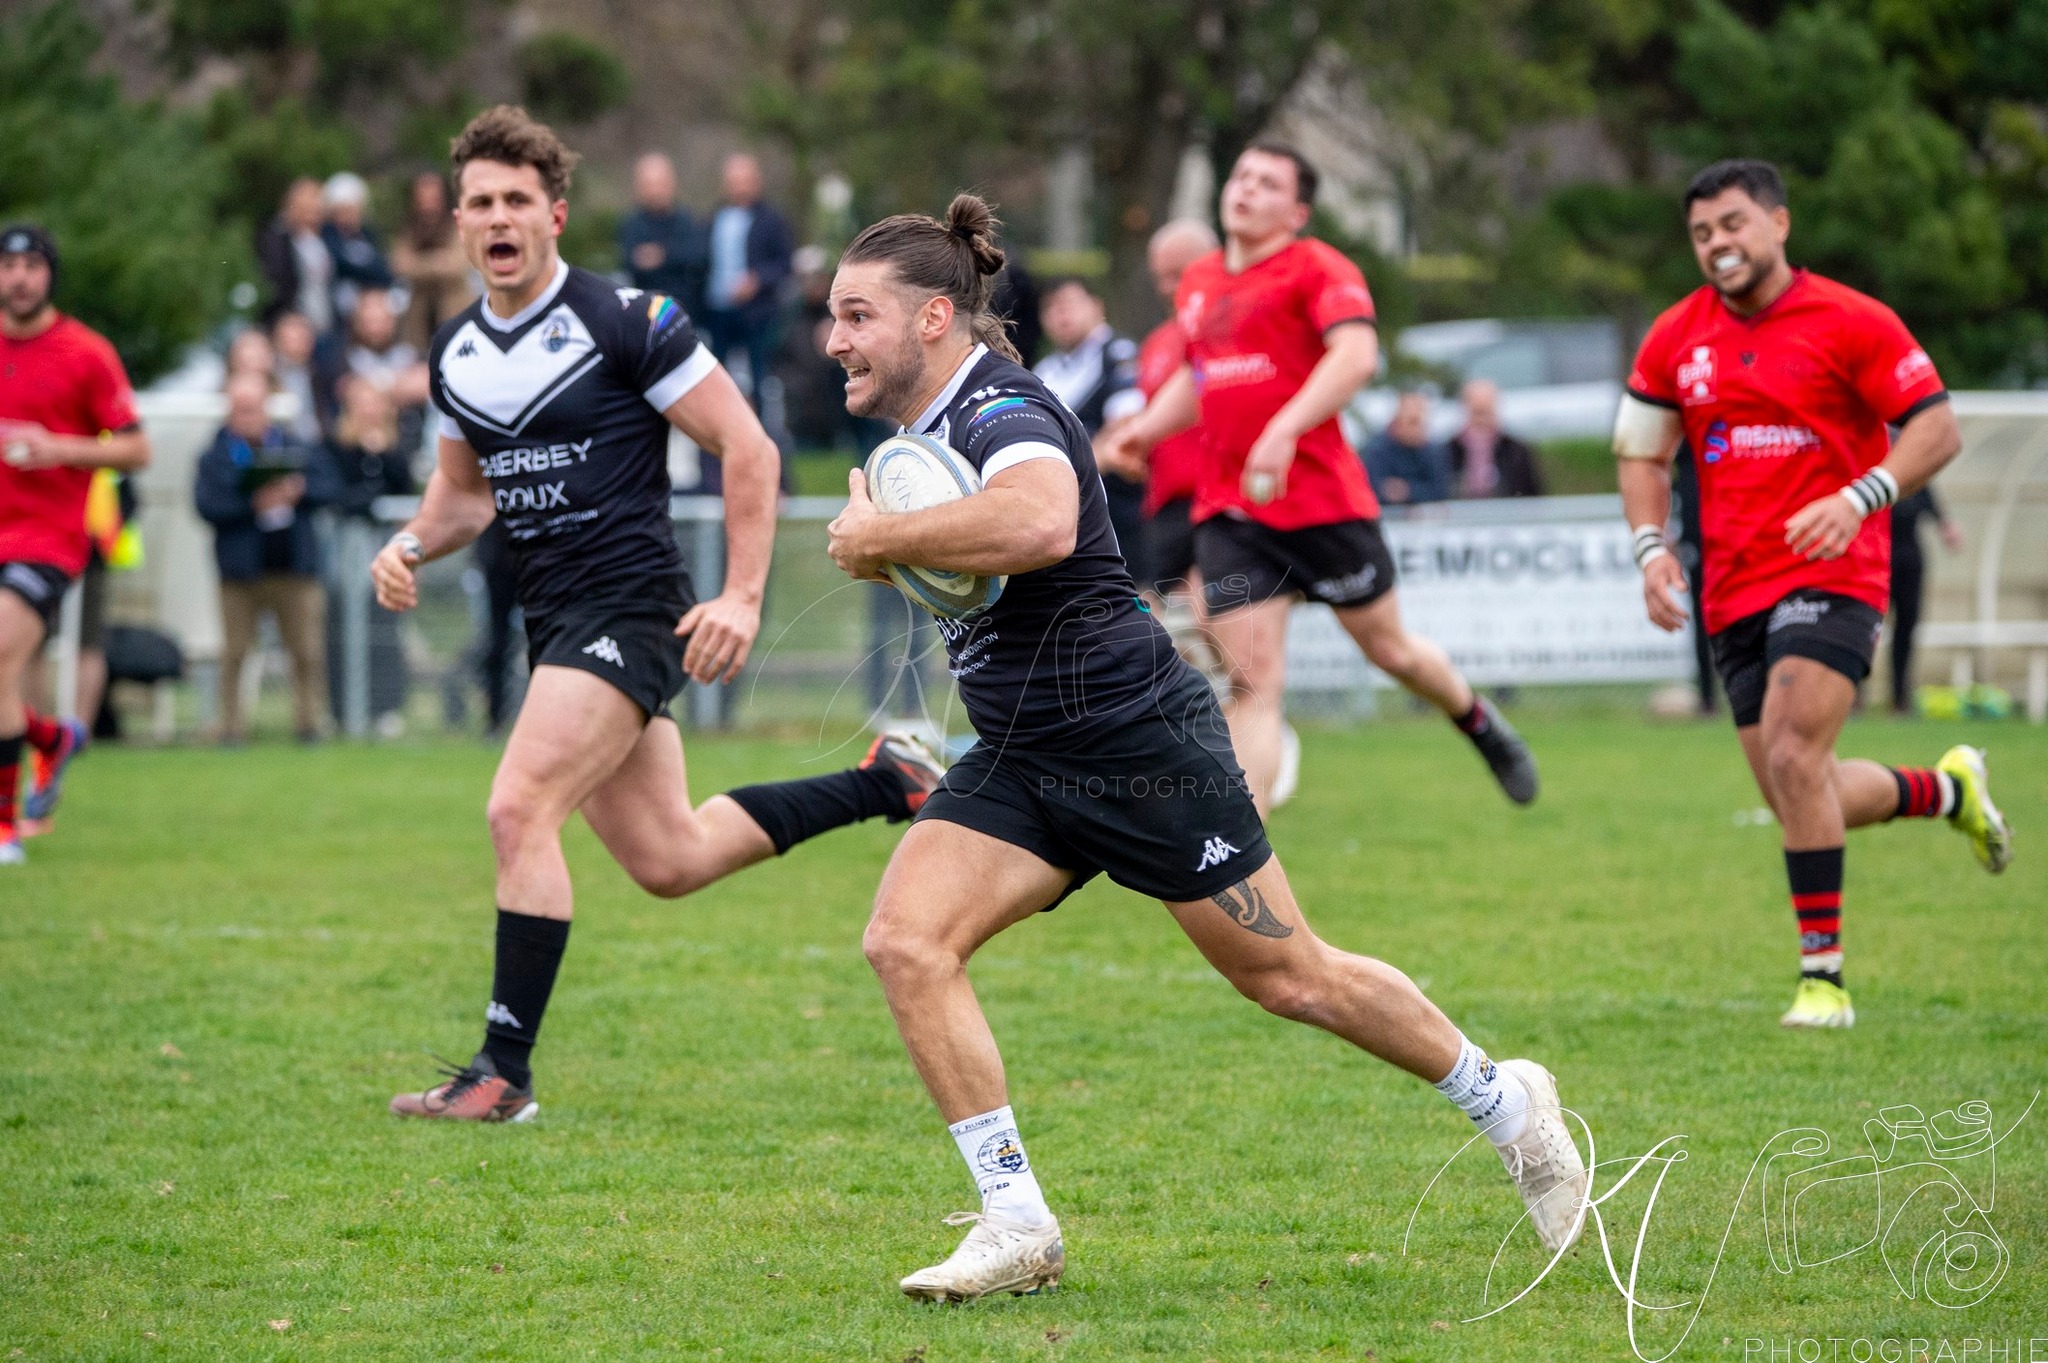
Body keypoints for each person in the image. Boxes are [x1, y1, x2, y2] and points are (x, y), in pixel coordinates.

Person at [820, 194, 1588, 1301]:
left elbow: (1037, 523)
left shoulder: (1001, 410)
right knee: (904, 940)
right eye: (832, 316)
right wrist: (886, 538)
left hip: (1137, 746)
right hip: (1024, 754)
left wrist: (880, 538)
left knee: (1291, 978)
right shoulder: (920, 434)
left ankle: (1507, 1104)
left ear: (933, 317)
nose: (832, 339)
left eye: (855, 315)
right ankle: (1015, 1220)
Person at [372, 106, 945, 1122]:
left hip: (631, 607)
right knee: (670, 858)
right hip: (554, 623)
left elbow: (750, 447)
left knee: (518, 808)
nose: (497, 218)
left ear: (553, 214)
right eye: (478, 203)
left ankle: (502, 1072)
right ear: (457, 223)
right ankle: (888, 780)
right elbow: (463, 493)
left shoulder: (627, 320)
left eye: (516, 200)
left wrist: (740, 594)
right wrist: (412, 542)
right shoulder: (455, 351)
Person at [1615, 158, 2010, 1030]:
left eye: (1732, 224)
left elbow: (1936, 428)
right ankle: (1947, 790)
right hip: (1732, 586)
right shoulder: (1676, 336)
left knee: (1795, 761)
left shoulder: (1851, 319)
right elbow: (1641, 452)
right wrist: (1651, 550)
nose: (1718, 243)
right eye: (1702, 232)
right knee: (1800, 787)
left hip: (1838, 572)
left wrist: (1859, 495)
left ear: (1779, 224)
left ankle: (1823, 979)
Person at [1104, 140, 1539, 812]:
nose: (1245, 188)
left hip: (1323, 505)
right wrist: (1147, 427)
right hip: (1234, 510)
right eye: (1242, 175)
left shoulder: (1316, 267)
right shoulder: (1200, 282)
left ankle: (1475, 718)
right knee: (1254, 685)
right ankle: (1240, 859)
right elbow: (1202, 377)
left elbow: (1357, 355)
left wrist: (1282, 429)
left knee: (1391, 652)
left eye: (1268, 183)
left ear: (1298, 210)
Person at [0, 224, 150, 863]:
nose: (20, 277)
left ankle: (5, 829)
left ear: (50, 274)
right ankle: (52, 736)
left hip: (47, 541)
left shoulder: (86, 352)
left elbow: (138, 448)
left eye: (32, 264)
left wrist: (58, 447)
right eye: (8, 266)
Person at [195, 371, 338, 744]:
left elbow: (331, 486)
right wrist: (252, 504)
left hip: (294, 566)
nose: (248, 417)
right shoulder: (215, 456)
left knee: (307, 651)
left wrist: (298, 491)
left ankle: (309, 724)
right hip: (241, 572)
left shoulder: (296, 447)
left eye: (254, 409)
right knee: (235, 654)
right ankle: (230, 728)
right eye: (240, 410)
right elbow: (206, 505)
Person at [1098, 219, 1217, 601]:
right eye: (1160, 277)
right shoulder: (1156, 344)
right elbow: (1139, 418)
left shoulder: (1230, 329)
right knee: (1151, 624)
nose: (1169, 287)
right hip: (1164, 505)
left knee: (1212, 616)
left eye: (1177, 274)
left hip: (1216, 501)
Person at [1033, 277, 1144, 578]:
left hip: (1118, 505)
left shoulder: (1119, 354)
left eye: (1069, 304)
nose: (1061, 315)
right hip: (1065, 511)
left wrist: (1071, 476)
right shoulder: (1043, 372)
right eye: (1051, 308)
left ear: (1096, 307)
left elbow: (1125, 428)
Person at [325, 376, 415, 733]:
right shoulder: (336, 448)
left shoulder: (395, 450)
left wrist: (382, 456)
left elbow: (403, 490)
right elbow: (339, 494)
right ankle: (341, 710)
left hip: (384, 549)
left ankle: (385, 708)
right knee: (341, 631)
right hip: (345, 556)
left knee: (384, 631)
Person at [700, 152, 794, 407]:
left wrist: (757, 280)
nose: (739, 186)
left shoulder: (771, 219)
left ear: (756, 181)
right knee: (717, 377)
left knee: (759, 377)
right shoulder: (714, 217)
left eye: (744, 180)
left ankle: (764, 438)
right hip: (718, 310)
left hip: (757, 312)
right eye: (734, 180)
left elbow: (785, 264)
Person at [1887, 485, 1962, 714]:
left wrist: (1946, 525)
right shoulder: (1870, 466)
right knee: (1863, 626)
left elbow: (1931, 502)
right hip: (1876, 553)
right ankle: (1853, 696)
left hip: (1908, 558)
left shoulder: (1915, 474)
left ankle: (1900, 698)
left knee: (1906, 629)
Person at [392, 171, 475, 354]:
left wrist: (418, 264)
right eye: (422, 196)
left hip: (455, 314)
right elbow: (400, 265)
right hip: (419, 320)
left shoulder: (458, 225)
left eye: (432, 196)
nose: (427, 203)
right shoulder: (409, 229)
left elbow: (455, 266)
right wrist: (438, 260)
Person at [616, 152, 705, 316]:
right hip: (644, 314)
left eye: (659, 184)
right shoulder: (631, 224)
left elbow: (698, 257)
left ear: (672, 184)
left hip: (686, 311)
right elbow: (629, 262)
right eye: (648, 184)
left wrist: (661, 256)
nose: (655, 191)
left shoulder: (688, 221)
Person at [256, 177, 335, 333]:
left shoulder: (325, 238)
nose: (314, 214)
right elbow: (278, 282)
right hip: (292, 324)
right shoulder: (277, 238)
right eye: (307, 208)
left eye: (317, 209)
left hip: (324, 321)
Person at [1448, 378, 1544, 498]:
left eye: (1486, 411)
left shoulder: (1516, 450)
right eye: (1478, 412)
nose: (1482, 419)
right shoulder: (1449, 450)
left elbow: (1532, 495)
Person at [322, 172, 395, 324]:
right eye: (342, 210)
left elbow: (384, 268)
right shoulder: (328, 235)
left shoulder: (368, 234)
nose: (348, 216)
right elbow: (342, 264)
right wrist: (369, 270)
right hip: (339, 305)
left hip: (372, 298)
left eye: (352, 209)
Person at [1361, 390, 1452, 506]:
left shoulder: (1434, 451)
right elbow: (1371, 490)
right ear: (1396, 421)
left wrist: (1408, 491)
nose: (1418, 428)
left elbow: (1441, 491)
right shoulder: (1376, 451)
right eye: (1413, 422)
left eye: (1422, 422)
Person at [270, 311, 326, 444]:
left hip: (317, 446)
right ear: (277, 338)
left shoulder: (321, 374)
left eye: (304, 333)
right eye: (294, 333)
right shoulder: (269, 376)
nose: (300, 338)